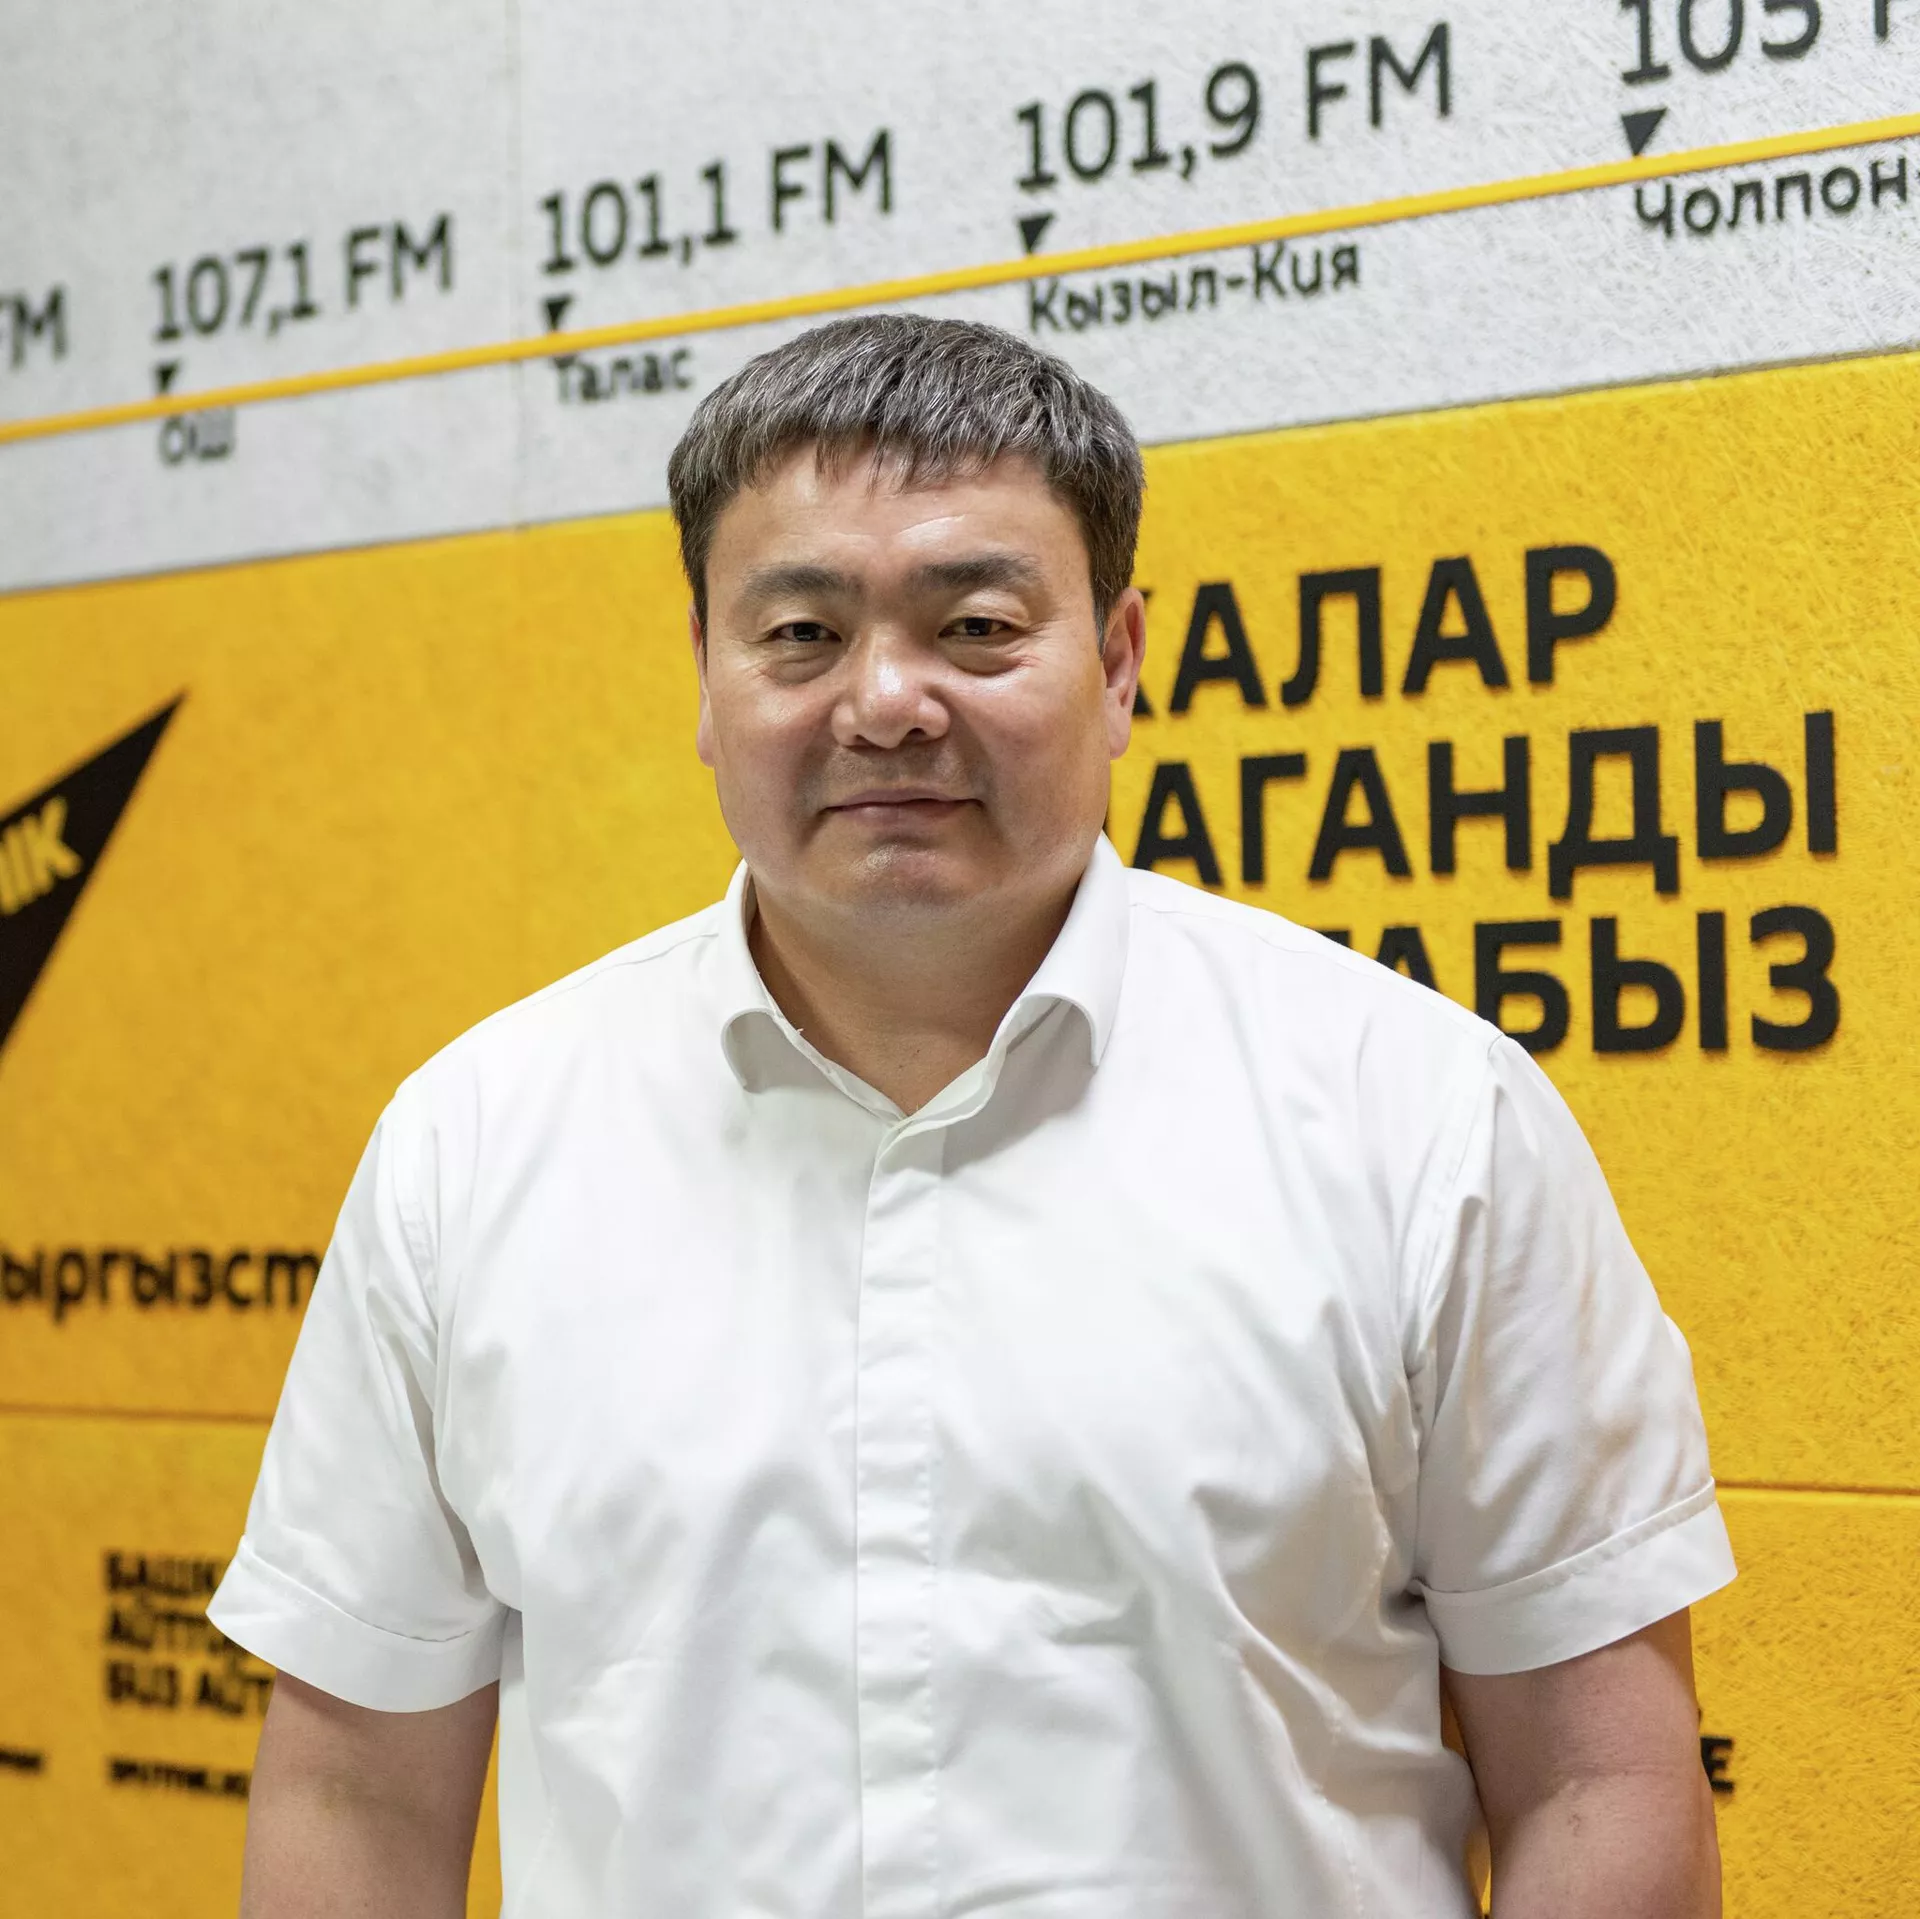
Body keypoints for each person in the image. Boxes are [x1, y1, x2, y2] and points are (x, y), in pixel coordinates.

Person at [210, 314, 1734, 1918]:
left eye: (978, 626)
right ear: (708, 673)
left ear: (1120, 660)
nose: (885, 701)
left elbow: (1601, 1784)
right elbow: (355, 1795)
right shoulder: (474, 1145)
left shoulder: (1422, 1121)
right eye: (801, 633)